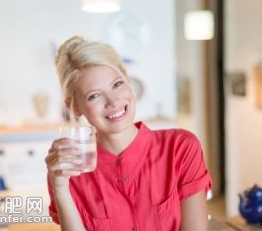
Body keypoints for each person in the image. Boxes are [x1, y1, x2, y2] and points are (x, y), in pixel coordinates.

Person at [45, 36, 212, 231]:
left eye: (117, 84)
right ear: (74, 107)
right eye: (94, 96)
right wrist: (60, 188)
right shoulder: (69, 170)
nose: (113, 102)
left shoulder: (180, 148)